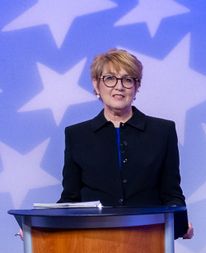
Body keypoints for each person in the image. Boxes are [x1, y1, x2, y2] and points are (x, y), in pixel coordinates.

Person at [58, 48, 193, 239]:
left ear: (136, 87)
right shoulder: (76, 135)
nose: (119, 86)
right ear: (96, 84)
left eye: (128, 79)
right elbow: (70, 199)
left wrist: (179, 224)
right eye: (110, 78)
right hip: (93, 240)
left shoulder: (163, 131)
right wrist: (38, 228)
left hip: (147, 237)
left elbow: (171, 193)